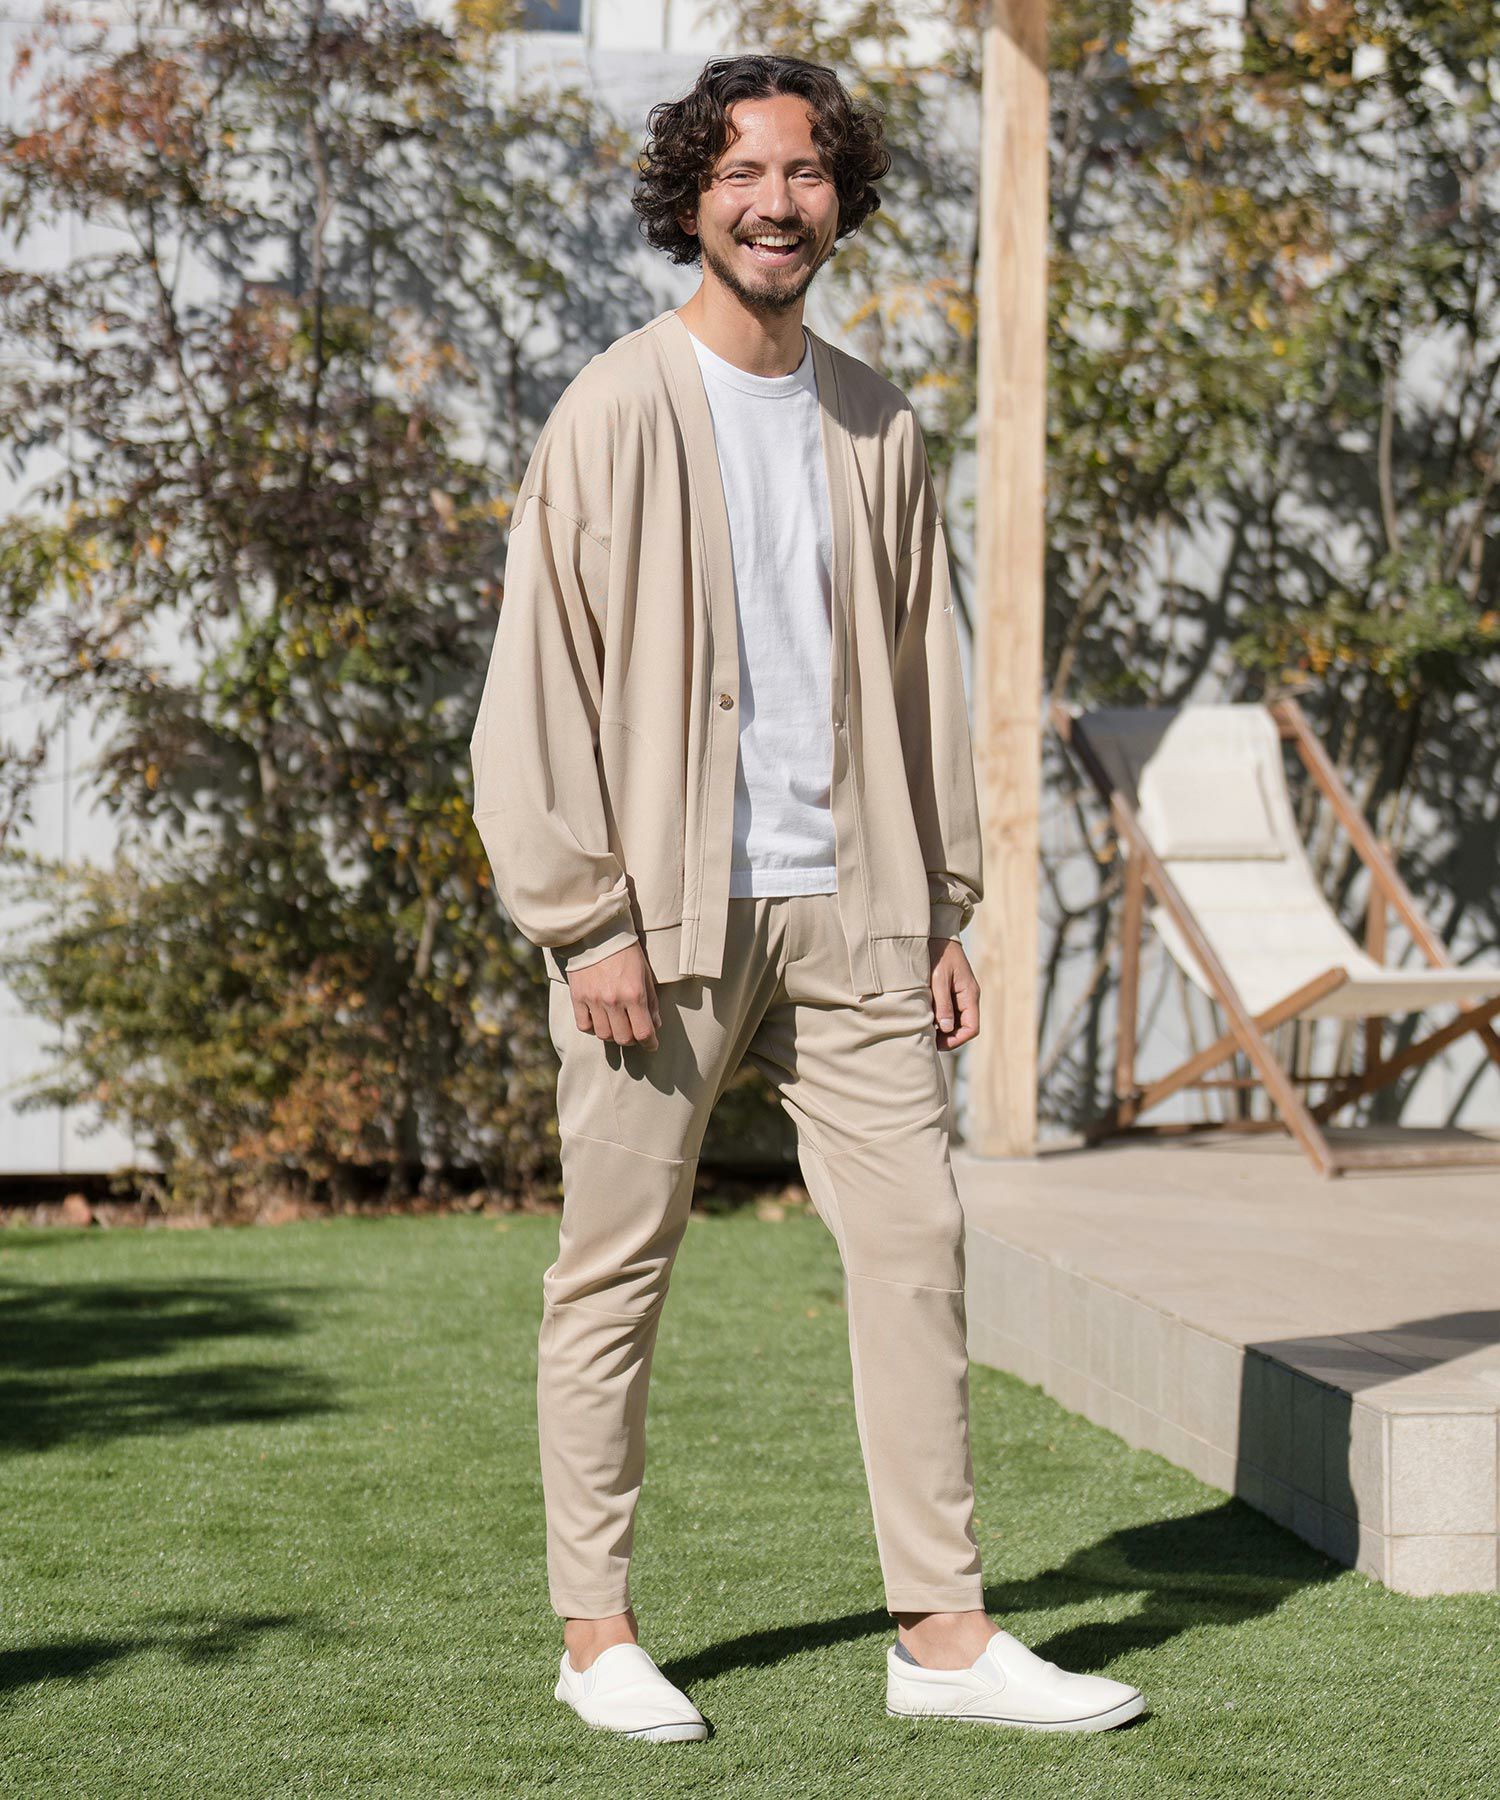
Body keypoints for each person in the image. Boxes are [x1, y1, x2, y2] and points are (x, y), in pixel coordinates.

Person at [469, 52, 1145, 1743]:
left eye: (807, 173)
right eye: (744, 174)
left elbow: (925, 674)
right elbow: (535, 688)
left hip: (857, 910)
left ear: (841, 198)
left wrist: (943, 906)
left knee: (917, 1245)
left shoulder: (876, 421)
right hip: (657, 922)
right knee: (614, 1269)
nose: (778, 203)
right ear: (693, 200)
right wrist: (582, 916)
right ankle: (596, 1635)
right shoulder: (615, 409)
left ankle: (943, 1637)